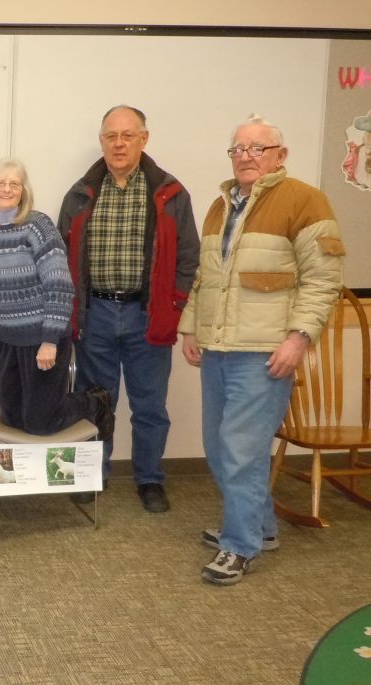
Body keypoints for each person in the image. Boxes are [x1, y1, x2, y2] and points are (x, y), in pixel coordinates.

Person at [179, 115, 344, 585]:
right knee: (218, 445)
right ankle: (261, 527)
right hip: (219, 347)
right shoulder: (220, 205)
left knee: (242, 451)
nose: (246, 157)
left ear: (280, 155)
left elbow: (323, 279)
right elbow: (204, 277)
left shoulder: (306, 202)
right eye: (238, 149)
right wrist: (192, 328)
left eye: (257, 148)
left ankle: (239, 545)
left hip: (264, 352)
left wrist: (299, 338)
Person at [58, 105, 199, 513]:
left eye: (127, 135)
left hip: (146, 315)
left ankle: (150, 479)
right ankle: (92, 474)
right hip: (95, 313)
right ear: (101, 141)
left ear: (144, 139)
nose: (118, 144)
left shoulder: (170, 193)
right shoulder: (80, 192)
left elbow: (188, 257)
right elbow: (62, 256)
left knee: (150, 405)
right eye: (110, 137)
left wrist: (174, 307)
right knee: (95, 402)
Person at [0, 158, 115, 443]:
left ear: (24, 190)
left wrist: (50, 340)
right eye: (0, 182)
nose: (6, 189)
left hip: (42, 339)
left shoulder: (37, 225)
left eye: (14, 184)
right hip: (7, 338)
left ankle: (94, 402)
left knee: (41, 424)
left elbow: (60, 285)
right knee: (13, 417)